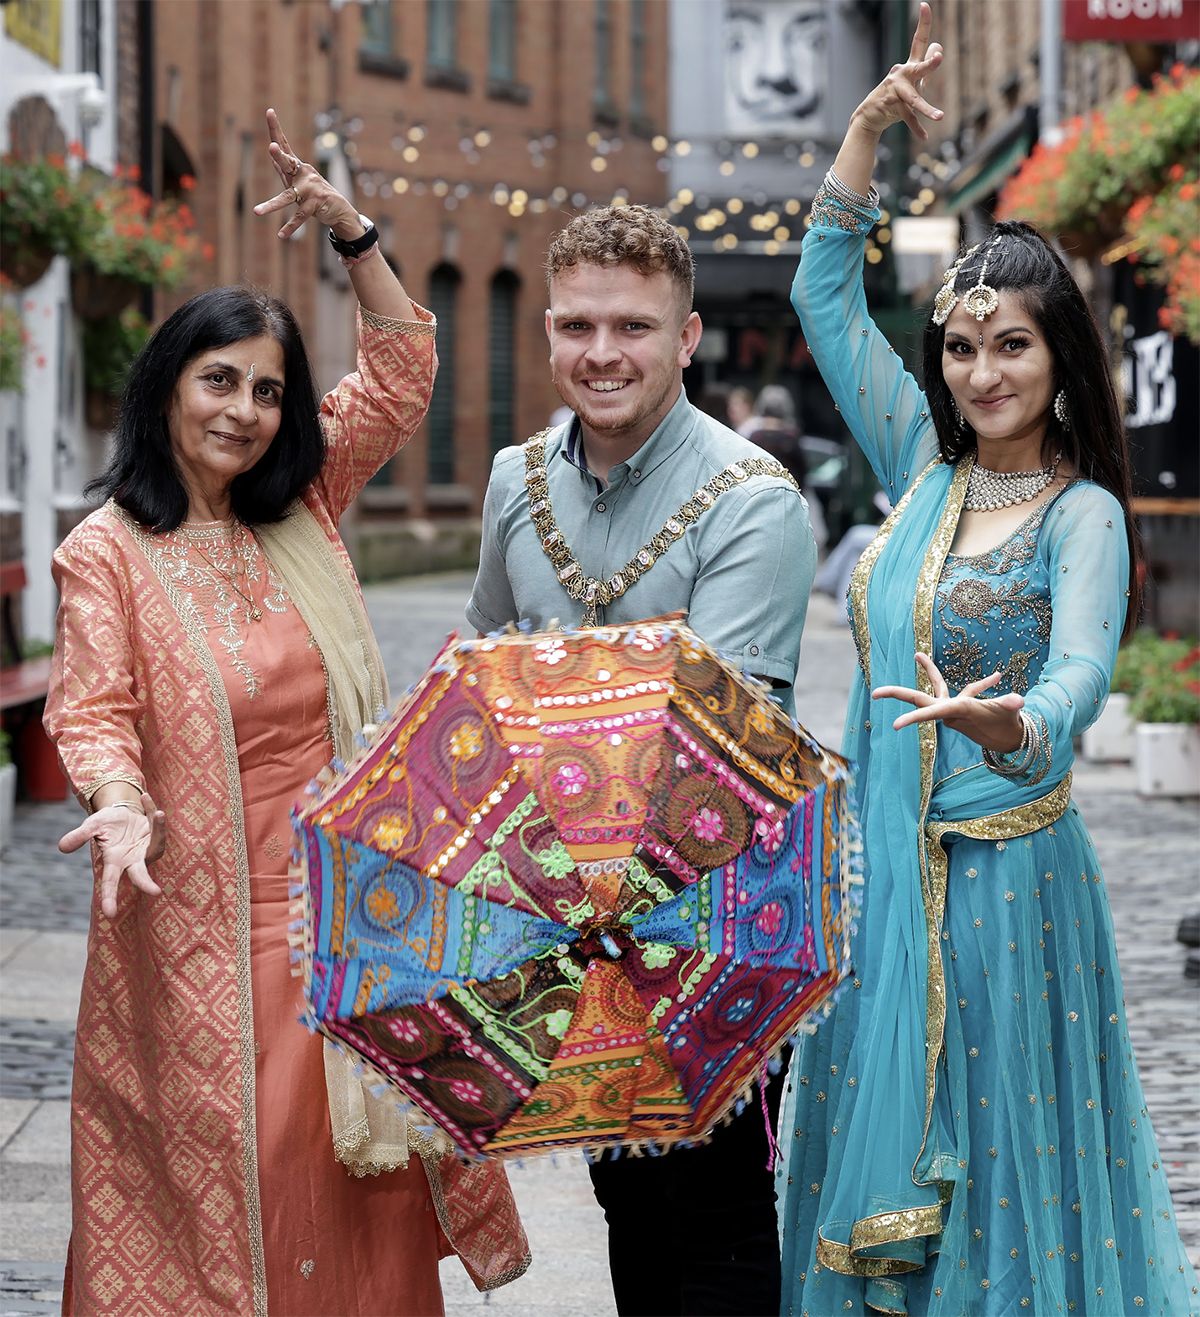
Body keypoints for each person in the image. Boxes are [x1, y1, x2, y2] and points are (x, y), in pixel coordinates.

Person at [44, 109, 528, 1316]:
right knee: (242, 1184)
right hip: (203, 928)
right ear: (166, 387)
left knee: (359, 1181)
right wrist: (115, 803)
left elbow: (407, 365)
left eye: (267, 390)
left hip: (351, 912)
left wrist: (354, 236)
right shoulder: (106, 553)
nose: (245, 411)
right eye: (220, 380)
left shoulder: (300, 506)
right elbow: (95, 705)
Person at [775, 8, 1200, 1315]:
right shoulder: (922, 466)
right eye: (961, 347)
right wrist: (859, 137)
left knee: (1008, 1174)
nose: (981, 370)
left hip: (1013, 885)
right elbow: (819, 293)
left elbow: (1078, 678)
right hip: (886, 890)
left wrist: (1011, 721)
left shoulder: (1082, 516)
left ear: (1060, 360)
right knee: (879, 1157)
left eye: (1010, 344)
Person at [467, 204, 818, 1315]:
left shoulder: (753, 500)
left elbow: (716, 744)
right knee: (630, 1214)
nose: (602, 353)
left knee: (715, 1224)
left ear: (687, 336)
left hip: (713, 922)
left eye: (632, 327)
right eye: (577, 326)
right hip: (568, 922)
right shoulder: (513, 483)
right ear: (551, 335)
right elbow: (476, 679)